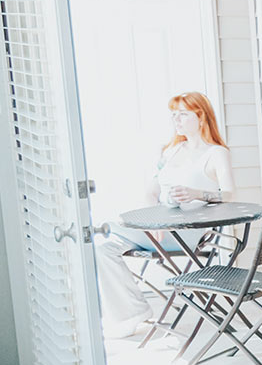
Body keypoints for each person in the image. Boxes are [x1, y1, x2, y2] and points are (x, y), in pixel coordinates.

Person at [94, 93, 235, 338]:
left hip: (189, 232)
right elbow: (151, 193)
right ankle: (132, 312)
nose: (176, 120)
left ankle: (133, 313)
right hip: (161, 228)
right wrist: (154, 220)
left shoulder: (216, 153)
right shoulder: (171, 152)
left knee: (105, 230)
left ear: (201, 117)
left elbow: (230, 193)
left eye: (183, 114)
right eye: (173, 115)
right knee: (102, 246)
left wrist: (197, 193)